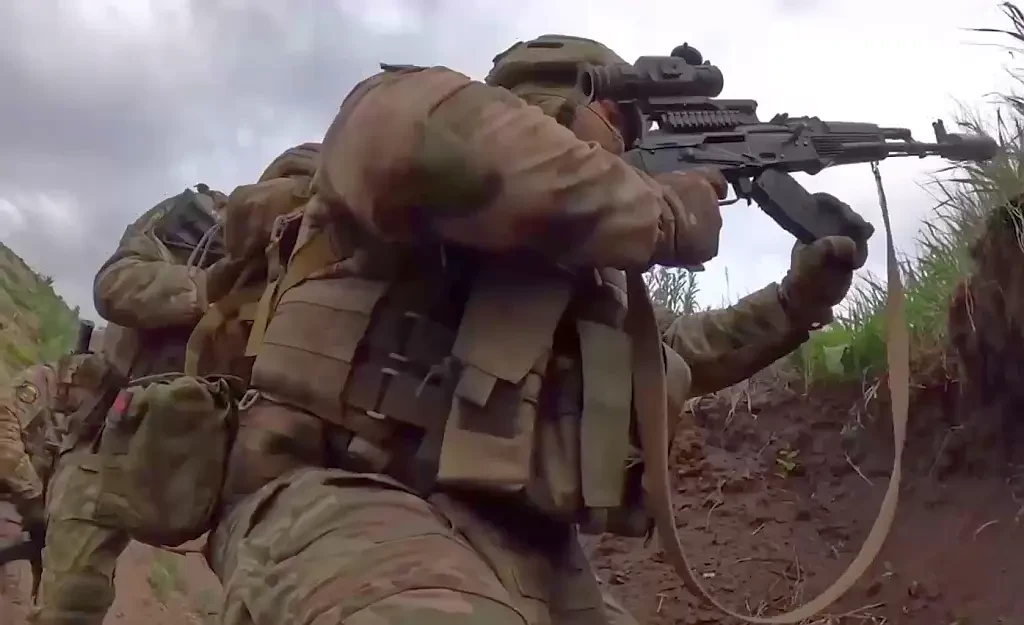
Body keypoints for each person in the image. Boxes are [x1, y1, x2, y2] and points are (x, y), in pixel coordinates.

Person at [204, 35, 864, 625]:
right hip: (338, 491)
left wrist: (794, 302)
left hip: (526, 546)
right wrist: (659, 210)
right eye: (619, 121)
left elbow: (670, 353)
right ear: (557, 96)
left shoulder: (588, 267)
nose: (627, 147)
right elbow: (428, 144)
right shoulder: (409, 107)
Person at [31, 184, 234, 625]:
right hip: (111, 433)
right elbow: (114, 284)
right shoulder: (200, 219)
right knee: (71, 602)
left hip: (206, 460)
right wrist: (208, 289)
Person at [0, 362, 59, 612]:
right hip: (14, 494)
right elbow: (3, 436)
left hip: (46, 517)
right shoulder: (45, 382)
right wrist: (33, 497)